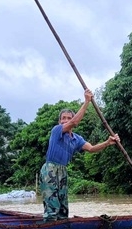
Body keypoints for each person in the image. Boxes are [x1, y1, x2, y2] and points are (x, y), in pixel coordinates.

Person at [40, 88, 120, 221]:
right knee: (52, 207)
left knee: (63, 208)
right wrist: (87, 101)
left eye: (68, 118)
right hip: (50, 169)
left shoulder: (76, 139)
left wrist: (107, 142)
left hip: (63, 171)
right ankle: (48, 227)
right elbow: (75, 122)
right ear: (59, 122)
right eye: (63, 119)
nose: (66, 121)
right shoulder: (57, 131)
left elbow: (92, 148)